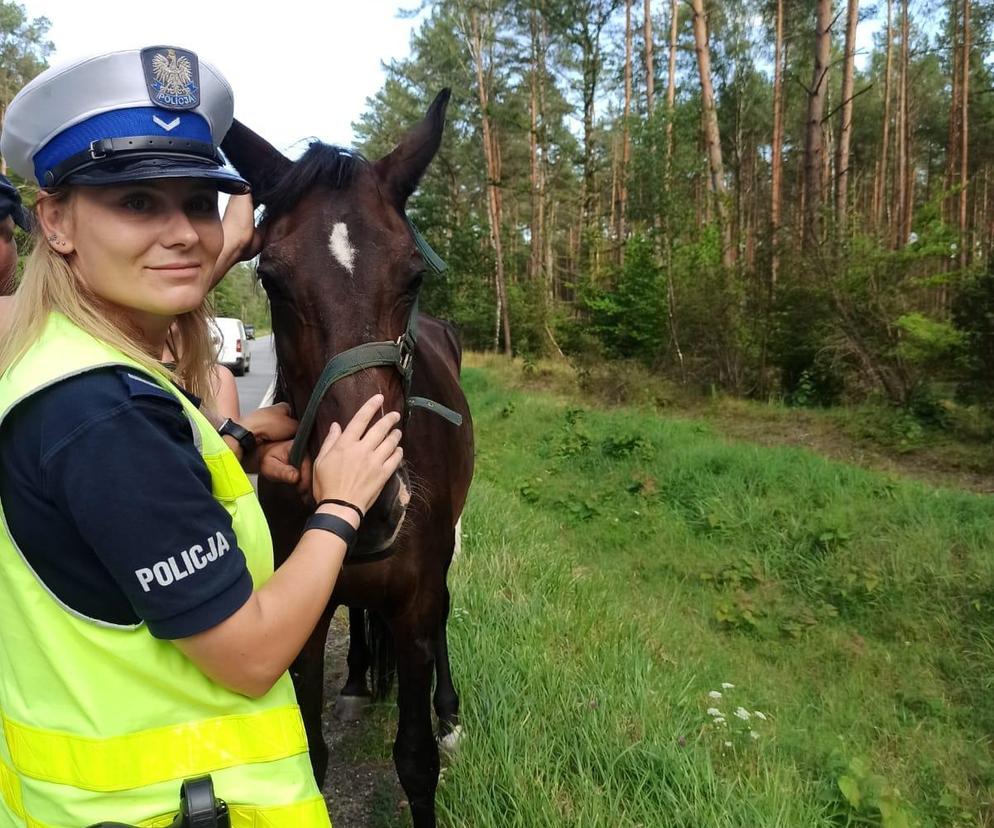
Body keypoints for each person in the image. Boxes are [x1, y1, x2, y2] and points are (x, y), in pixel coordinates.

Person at [0, 46, 403, 828]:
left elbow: (118, 518)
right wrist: (340, 507)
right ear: (55, 220)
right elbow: (251, 657)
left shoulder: (70, 364)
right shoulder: (102, 414)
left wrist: (237, 444)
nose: (184, 233)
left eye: (196, 202)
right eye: (138, 203)